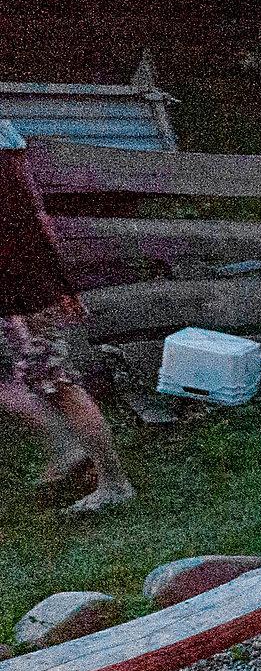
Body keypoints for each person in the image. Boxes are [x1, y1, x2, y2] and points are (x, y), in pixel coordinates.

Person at [0, 181, 134, 515]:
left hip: (22, 293)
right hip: (21, 290)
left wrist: (58, 286)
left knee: (57, 384)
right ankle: (68, 448)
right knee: (23, 383)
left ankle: (115, 483)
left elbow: (29, 223)